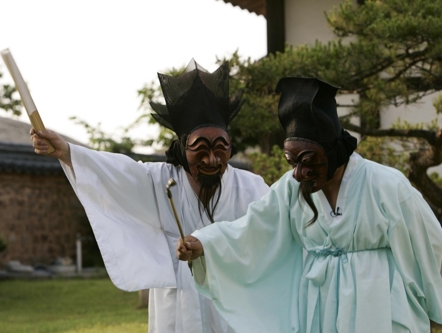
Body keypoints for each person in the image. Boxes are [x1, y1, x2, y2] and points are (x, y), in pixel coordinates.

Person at [177, 77, 442, 332]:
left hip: (377, 305)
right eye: (292, 161)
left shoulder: (387, 184)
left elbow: (426, 239)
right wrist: (205, 243)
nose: (299, 172)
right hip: (318, 304)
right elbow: (255, 228)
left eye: (308, 160)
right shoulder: (291, 188)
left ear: (333, 150)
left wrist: (414, 297)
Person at [30, 60, 269, 333]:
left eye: (221, 148)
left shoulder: (251, 188)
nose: (212, 159)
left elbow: (269, 234)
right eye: (200, 149)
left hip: (232, 299)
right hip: (179, 300)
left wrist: (212, 244)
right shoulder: (158, 180)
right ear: (182, 147)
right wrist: (67, 151)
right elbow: (115, 173)